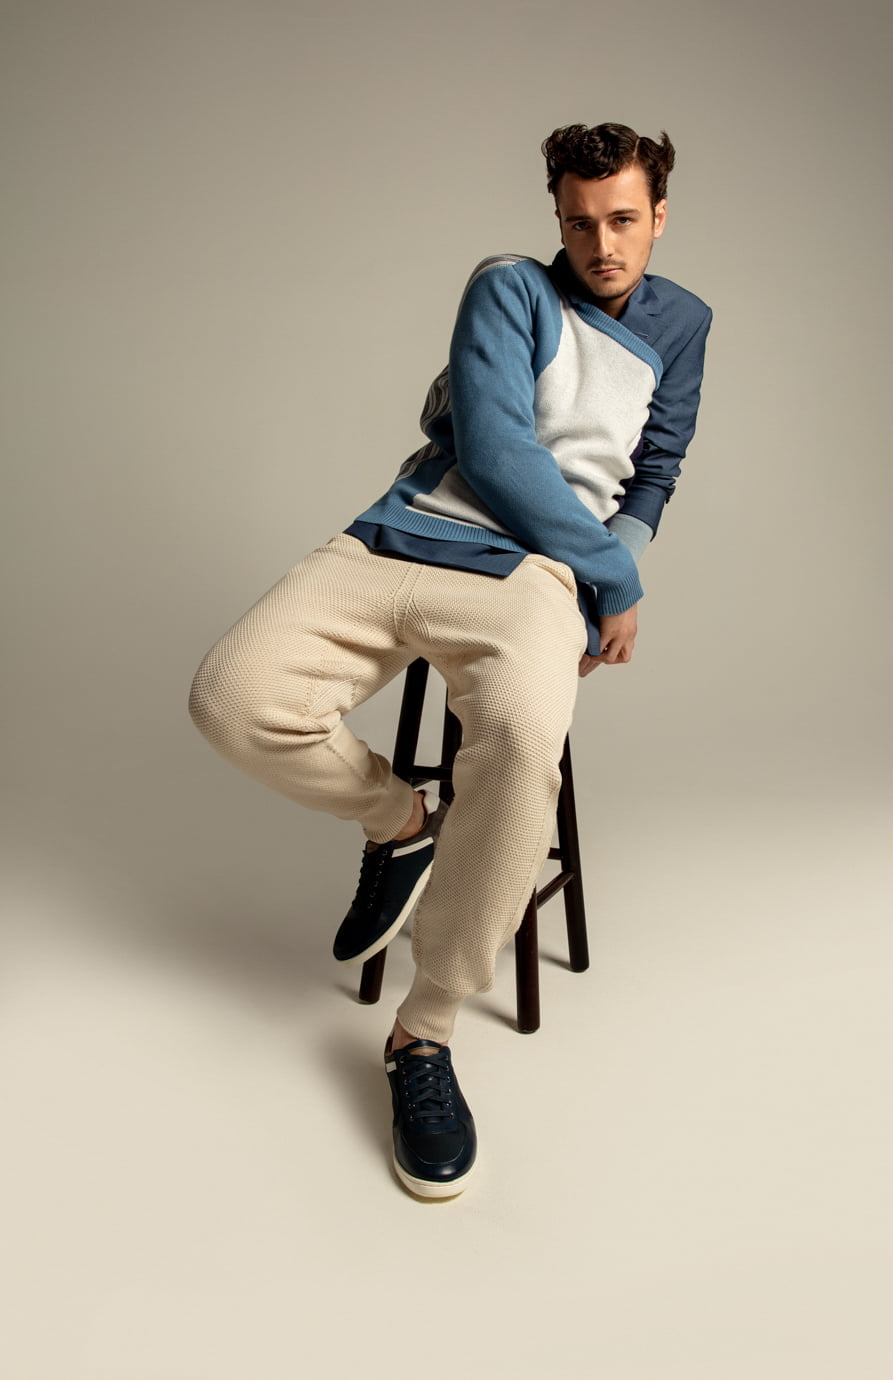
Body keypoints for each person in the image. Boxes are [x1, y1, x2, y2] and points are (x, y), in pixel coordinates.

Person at [188, 122, 712, 1198]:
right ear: (556, 216)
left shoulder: (685, 324)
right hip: (407, 532)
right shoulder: (508, 286)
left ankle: (422, 1034)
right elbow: (497, 451)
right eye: (579, 222)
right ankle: (400, 822)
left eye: (622, 220)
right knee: (231, 696)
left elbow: (656, 466)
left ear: (659, 215)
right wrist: (617, 579)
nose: (601, 244)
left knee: (522, 742)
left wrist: (603, 569)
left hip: (533, 579)